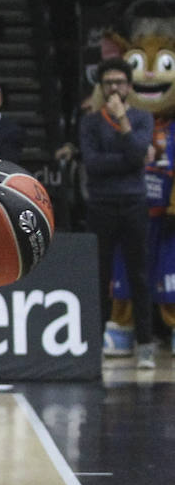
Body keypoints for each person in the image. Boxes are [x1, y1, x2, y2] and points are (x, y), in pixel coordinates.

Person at [80, 58, 156, 368]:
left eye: (120, 82)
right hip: (101, 204)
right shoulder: (90, 122)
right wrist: (127, 158)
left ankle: (146, 344)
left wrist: (123, 123)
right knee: (100, 276)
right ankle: (94, 344)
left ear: (129, 86)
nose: (114, 88)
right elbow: (93, 164)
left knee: (140, 274)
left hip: (135, 202)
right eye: (108, 82)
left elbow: (139, 157)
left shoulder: (141, 118)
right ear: (101, 86)